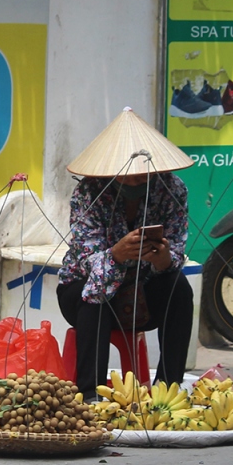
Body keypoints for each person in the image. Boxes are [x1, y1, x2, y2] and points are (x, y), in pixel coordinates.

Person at [56, 108, 195, 395]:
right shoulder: (88, 193)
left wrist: (163, 259)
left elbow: (177, 248)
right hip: (83, 293)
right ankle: (90, 393)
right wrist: (116, 255)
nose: (134, 181)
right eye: (126, 177)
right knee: (95, 291)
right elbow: (87, 258)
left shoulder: (172, 189)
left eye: (141, 176)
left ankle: (168, 388)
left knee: (179, 287)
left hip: (145, 292)